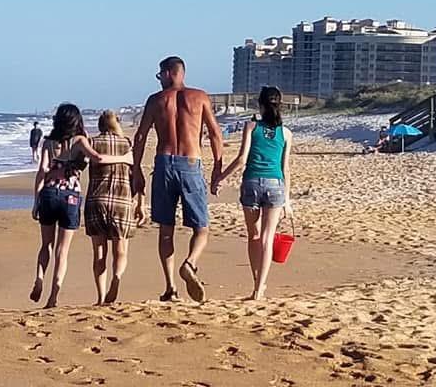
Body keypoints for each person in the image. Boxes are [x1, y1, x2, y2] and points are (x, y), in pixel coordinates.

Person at [132, 56, 223, 302]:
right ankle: (190, 263)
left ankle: (171, 287)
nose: (159, 79)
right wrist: (217, 166)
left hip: (164, 163)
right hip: (190, 163)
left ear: (170, 73)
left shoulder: (156, 100)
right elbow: (215, 133)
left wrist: (137, 168)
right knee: (201, 228)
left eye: (160, 75)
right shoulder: (200, 97)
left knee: (166, 229)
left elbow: (140, 136)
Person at [30, 104, 133, 308]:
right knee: (62, 250)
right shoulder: (79, 141)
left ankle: (40, 277)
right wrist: (124, 158)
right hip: (70, 195)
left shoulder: (48, 142)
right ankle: (53, 297)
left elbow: (42, 171)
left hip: (49, 193)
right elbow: (97, 158)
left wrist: (36, 200)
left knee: (46, 245)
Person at [215, 86, 293, 300]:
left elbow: (242, 159)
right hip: (275, 185)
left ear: (260, 105)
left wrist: (221, 178)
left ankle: (256, 280)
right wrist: (287, 201)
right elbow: (285, 168)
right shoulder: (286, 133)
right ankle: (259, 288)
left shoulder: (251, 126)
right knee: (268, 238)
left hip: (251, 183)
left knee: (254, 236)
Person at [84, 110, 146, 305]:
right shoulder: (127, 144)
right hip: (122, 200)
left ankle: (101, 296)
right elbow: (138, 177)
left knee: (99, 253)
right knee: (121, 250)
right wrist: (141, 204)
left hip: (97, 200)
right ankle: (117, 277)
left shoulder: (92, 143)